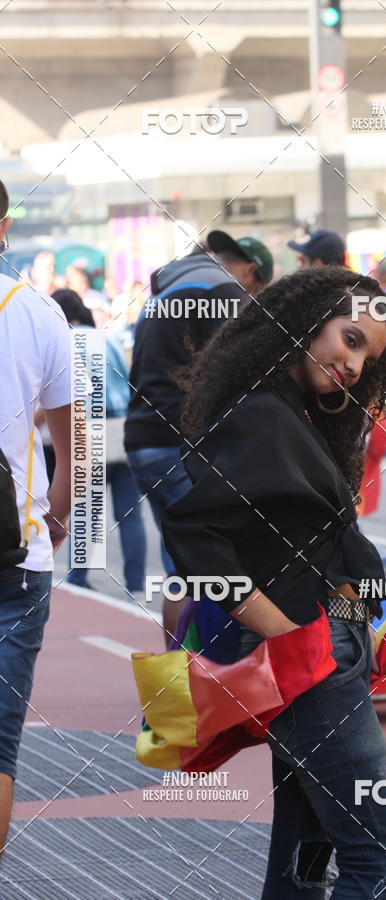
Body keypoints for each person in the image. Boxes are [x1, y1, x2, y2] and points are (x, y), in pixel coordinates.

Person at [161, 266, 386, 898]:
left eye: (368, 358)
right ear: (307, 320)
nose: (354, 365)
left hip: (324, 649)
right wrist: (286, 634)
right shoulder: (262, 414)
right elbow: (193, 536)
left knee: (302, 866)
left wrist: (355, 623)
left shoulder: (290, 412)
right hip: (309, 657)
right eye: (350, 339)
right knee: (379, 860)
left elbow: (317, 546)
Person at [125, 230, 273, 641]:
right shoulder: (224, 290)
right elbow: (249, 373)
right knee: (211, 566)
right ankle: (200, 668)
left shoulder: (165, 291)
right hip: (179, 444)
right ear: (250, 271)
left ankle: (178, 670)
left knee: (181, 565)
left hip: (145, 440)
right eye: (256, 293)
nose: (251, 301)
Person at [0, 180, 72, 851]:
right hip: (17, 551)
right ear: (4, 228)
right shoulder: (38, 312)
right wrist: (58, 513)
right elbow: (73, 442)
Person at [50, 289, 147, 602]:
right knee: (130, 514)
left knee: (87, 512)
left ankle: (78, 579)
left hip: (89, 431)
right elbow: (131, 380)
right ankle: (136, 585)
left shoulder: (66, 341)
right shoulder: (109, 339)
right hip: (122, 429)